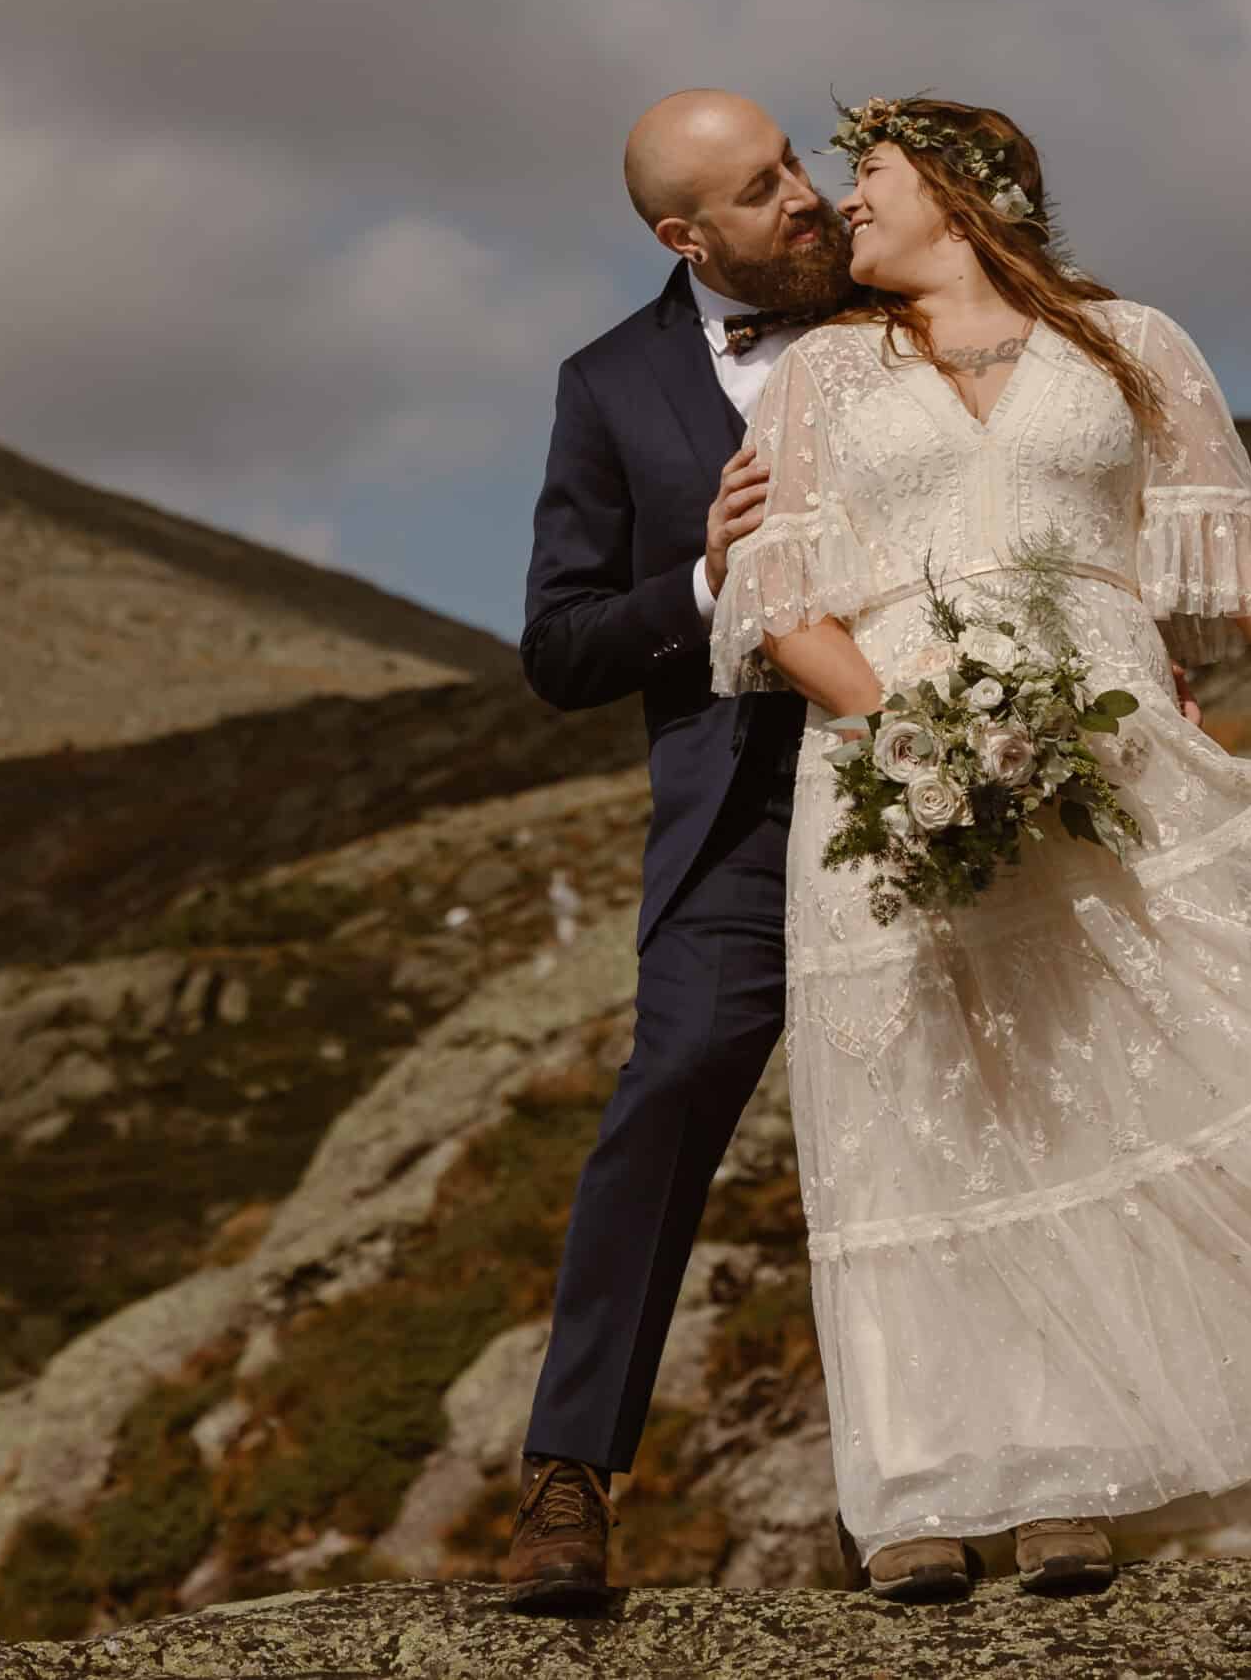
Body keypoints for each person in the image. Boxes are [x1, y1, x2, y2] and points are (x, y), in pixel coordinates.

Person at [710, 94, 1251, 1602]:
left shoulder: (1133, 348)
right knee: (914, 1102)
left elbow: (1237, 553)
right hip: (893, 771)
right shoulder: (823, 376)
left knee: (1090, 1093)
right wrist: (913, 733)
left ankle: (1069, 1480)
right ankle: (918, 1484)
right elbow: (786, 599)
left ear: (970, 193)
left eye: (874, 177)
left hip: (1105, 761)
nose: (847, 207)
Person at [500, 89, 850, 1611]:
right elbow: (562, 645)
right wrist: (697, 572)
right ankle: (569, 1477)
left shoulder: (899, 302)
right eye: (763, 188)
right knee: (669, 1087)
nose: (808, 197)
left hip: (929, 774)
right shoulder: (607, 384)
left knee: (942, 1101)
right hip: (739, 815)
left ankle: (932, 1477)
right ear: (681, 235)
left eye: (798, 164)